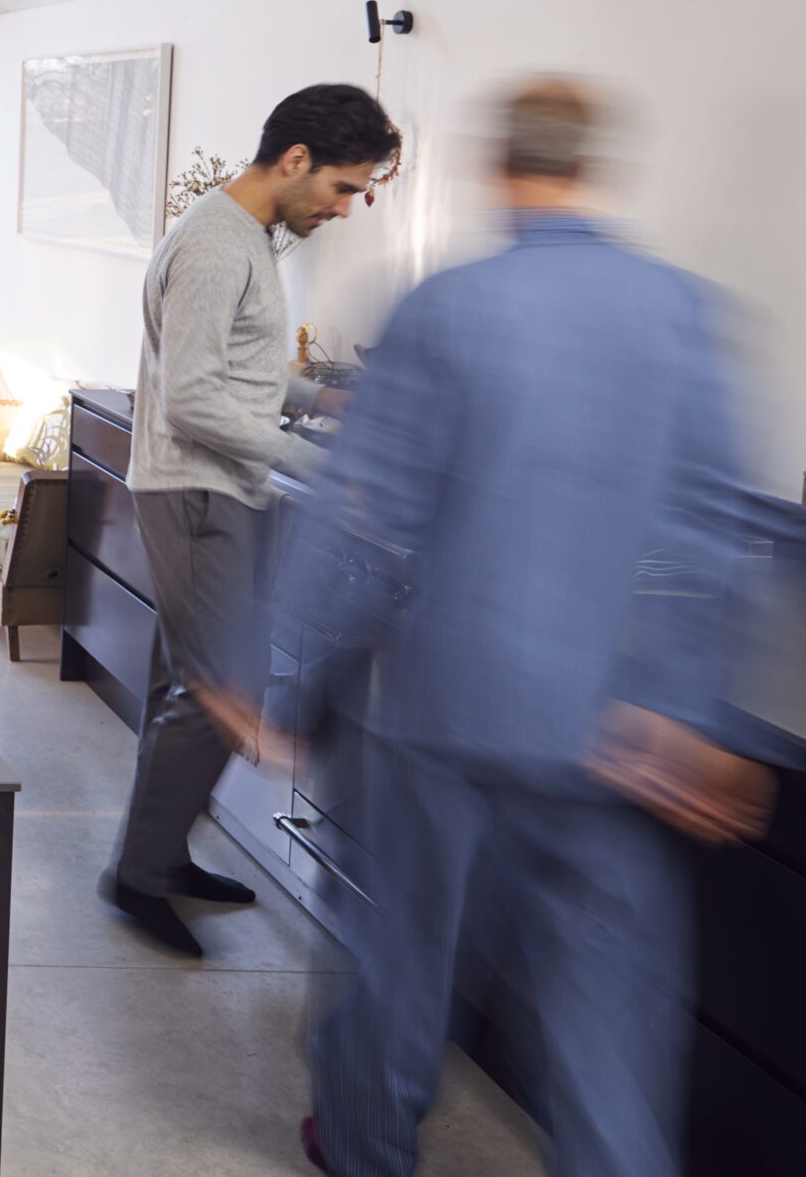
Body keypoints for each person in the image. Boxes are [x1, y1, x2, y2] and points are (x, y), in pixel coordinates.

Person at [260, 81, 774, 1176]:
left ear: (501, 170)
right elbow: (712, 530)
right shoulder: (681, 310)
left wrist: (294, 683)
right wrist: (681, 707)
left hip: (444, 720)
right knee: (606, 1039)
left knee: (405, 970)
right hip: (614, 738)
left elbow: (368, 518)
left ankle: (360, 1145)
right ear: (590, 168)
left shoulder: (447, 307)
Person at [103, 82, 400, 958]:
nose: (343, 209)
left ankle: (161, 855)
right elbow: (193, 400)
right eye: (343, 187)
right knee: (218, 691)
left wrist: (322, 399)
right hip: (197, 489)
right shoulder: (217, 242)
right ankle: (137, 876)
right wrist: (322, 465)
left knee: (190, 686)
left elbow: (237, 368)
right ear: (296, 159)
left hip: (215, 487)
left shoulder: (243, 235)